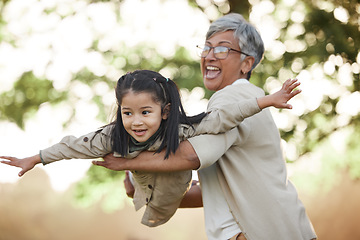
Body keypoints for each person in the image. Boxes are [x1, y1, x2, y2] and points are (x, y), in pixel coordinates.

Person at [93, 14, 317, 240]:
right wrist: (144, 191)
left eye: (222, 49)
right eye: (207, 48)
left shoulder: (232, 97)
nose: (210, 56)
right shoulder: (245, 99)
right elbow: (210, 193)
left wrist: (128, 162)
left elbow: (190, 157)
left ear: (247, 63)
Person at [0, 69, 299, 228]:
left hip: (175, 185)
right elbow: (73, 146)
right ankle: (132, 178)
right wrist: (36, 158)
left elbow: (222, 118)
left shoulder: (181, 129)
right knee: (135, 193)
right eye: (127, 113)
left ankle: (147, 177)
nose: (136, 121)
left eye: (145, 112)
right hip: (148, 190)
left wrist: (267, 100)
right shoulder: (113, 137)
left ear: (165, 111)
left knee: (177, 190)